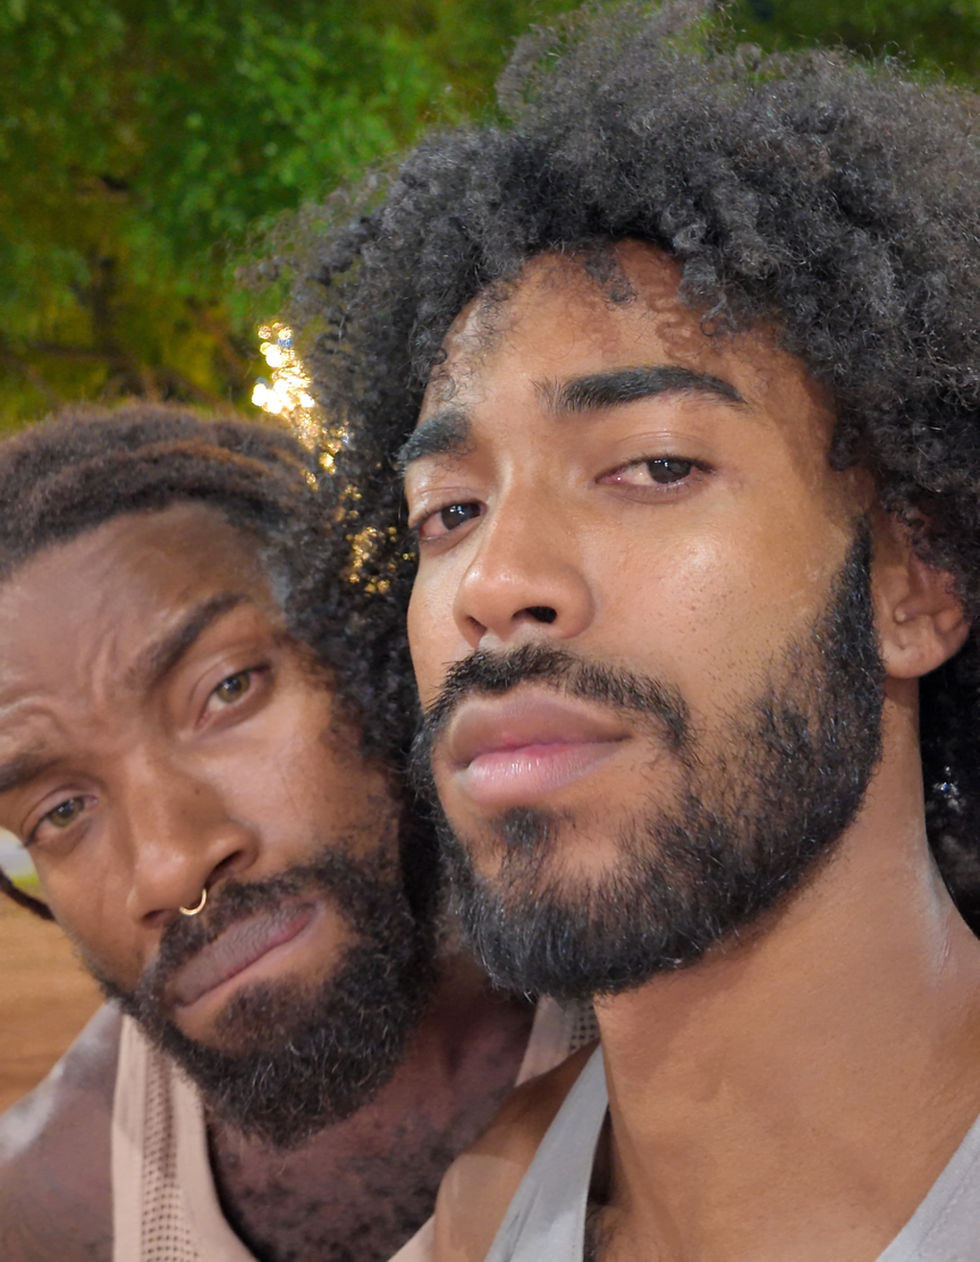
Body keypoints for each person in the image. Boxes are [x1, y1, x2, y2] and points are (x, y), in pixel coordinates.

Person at [281, 2, 980, 1257]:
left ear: (912, 576)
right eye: (448, 511)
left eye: (651, 465)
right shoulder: (488, 1202)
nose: (494, 579)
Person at [0, 404, 594, 1262]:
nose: (168, 869)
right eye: (61, 813)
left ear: (367, 651)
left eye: (228, 691)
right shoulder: (52, 1207)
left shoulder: (671, 1031)